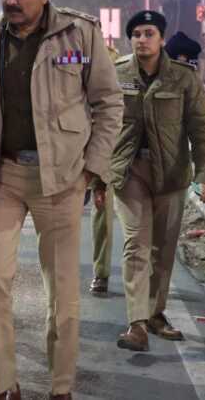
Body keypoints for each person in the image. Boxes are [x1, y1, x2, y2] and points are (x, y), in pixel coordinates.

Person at [0, 0, 123, 400]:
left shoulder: (79, 33)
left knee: (63, 291)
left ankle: (60, 387)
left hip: (62, 179)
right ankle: (4, 386)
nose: (11, 0)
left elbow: (109, 103)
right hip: (3, 177)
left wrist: (92, 168)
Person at [108, 10, 205, 353]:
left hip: (171, 173)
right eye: (136, 34)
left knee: (163, 249)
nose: (142, 39)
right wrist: (95, 173)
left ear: (161, 38)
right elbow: (99, 121)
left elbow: (202, 129)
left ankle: (155, 313)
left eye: (149, 33)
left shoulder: (183, 78)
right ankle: (137, 323)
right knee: (136, 244)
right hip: (128, 171)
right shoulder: (115, 73)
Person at [89, 40, 119, 299]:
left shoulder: (119, 63)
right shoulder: (77, 60)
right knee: (102, 216)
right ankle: (101, 273)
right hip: (93, 148)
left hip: (124, 148)